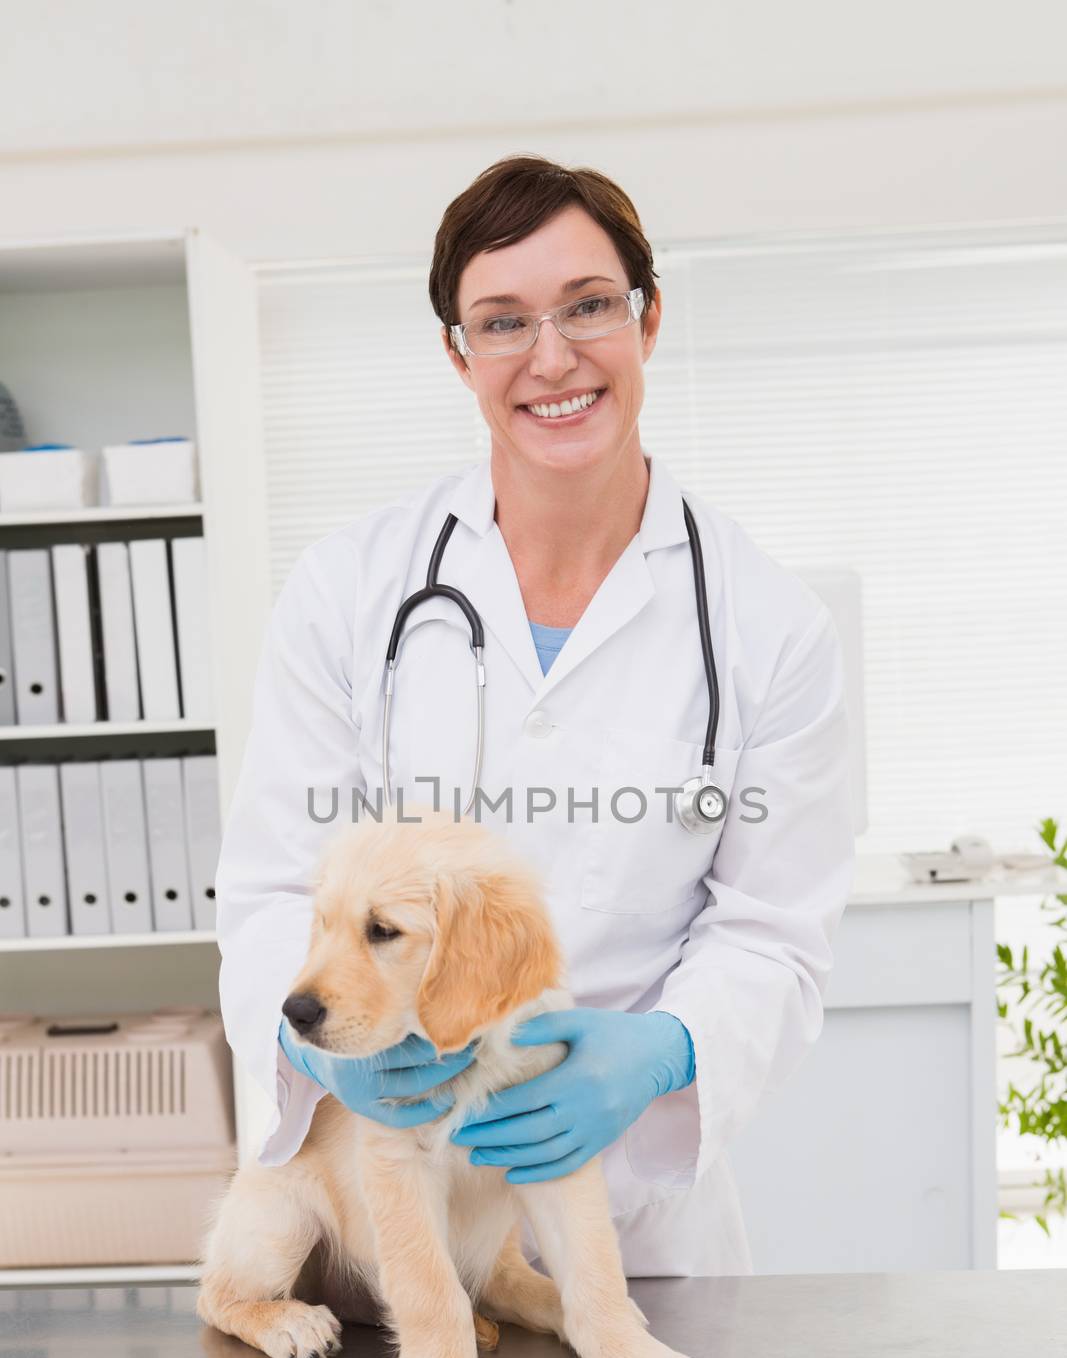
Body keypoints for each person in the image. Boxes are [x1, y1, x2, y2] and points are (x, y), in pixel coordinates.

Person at [215, 154, 856, 1277]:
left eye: (588, 306)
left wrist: (660, 1053)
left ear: (647, 320)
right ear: (457, 355)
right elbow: (273, 883)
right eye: (501, 322)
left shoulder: (768, 627)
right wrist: (317, 1052)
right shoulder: (347, 592)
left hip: (634, 1227)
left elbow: (770, 932)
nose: (551, 357)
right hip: (406, 1205)